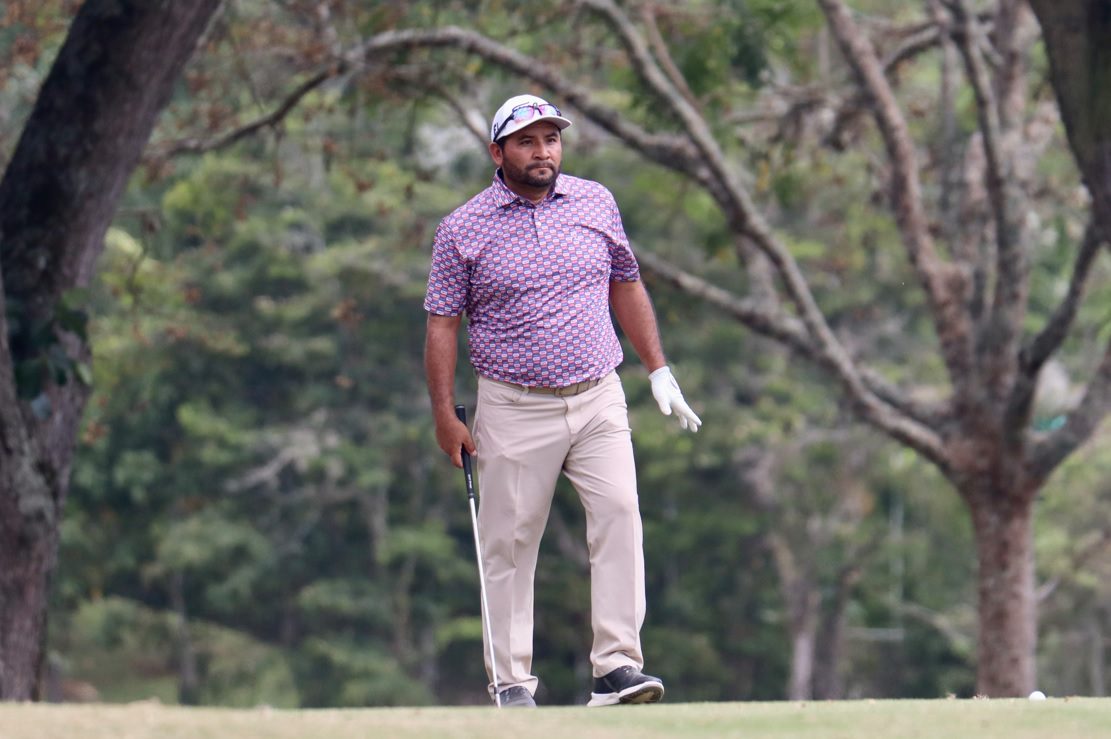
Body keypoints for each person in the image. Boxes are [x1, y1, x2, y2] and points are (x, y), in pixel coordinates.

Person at [423, 93, 701, 708]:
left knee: (621, 516)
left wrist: (659, 370)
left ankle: (616, 668)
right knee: (510, 543)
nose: (542, 151)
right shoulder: (462, 228)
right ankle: (513, 682)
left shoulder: (595, 201)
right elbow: (441, 324)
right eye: (526, 141)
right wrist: (444, 414)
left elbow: (625, 281)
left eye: (550, 139)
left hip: (599, 395)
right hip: (514, 407)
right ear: (498, 152)